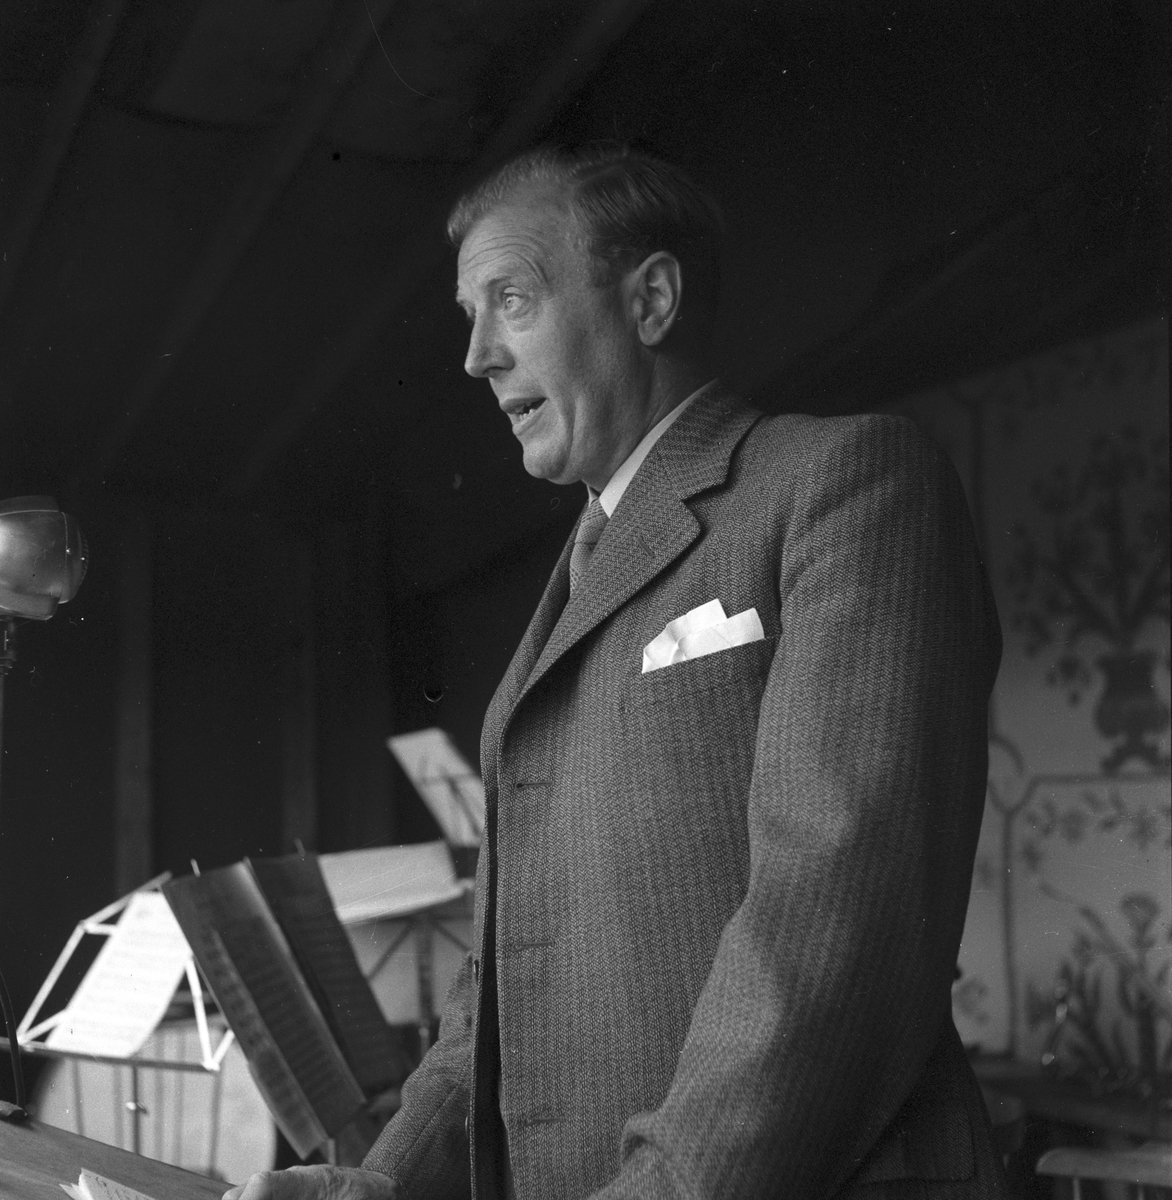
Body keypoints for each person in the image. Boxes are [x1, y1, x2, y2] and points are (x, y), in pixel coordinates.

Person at [225, 144, 1008, 1200]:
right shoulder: (583, 565)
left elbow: (836, 926)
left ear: (650, 300)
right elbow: (503, 980)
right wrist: (385, 1183)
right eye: (469, 315)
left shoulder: (844, 482)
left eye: (510, 300)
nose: (476, 357)